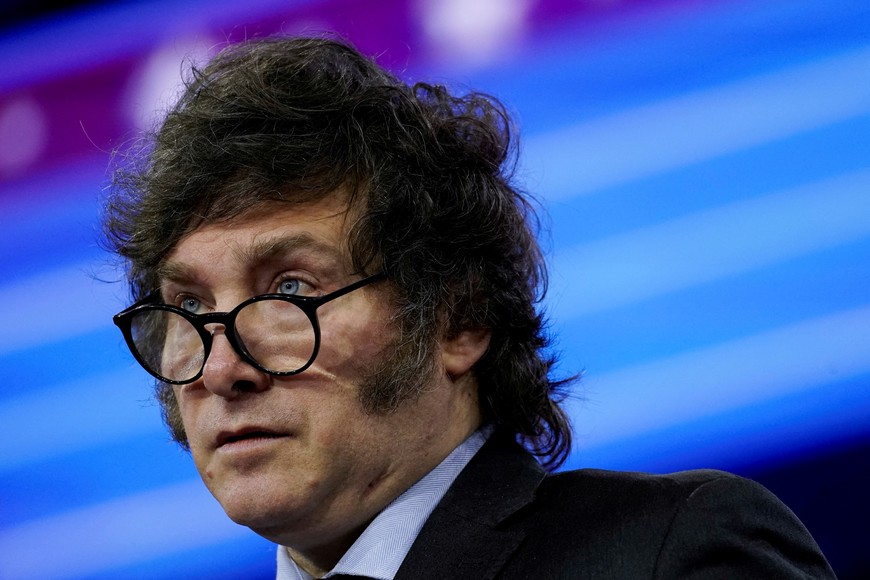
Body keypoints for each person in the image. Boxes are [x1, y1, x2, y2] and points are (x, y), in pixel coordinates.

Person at [105, 35, 836, 579]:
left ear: (459, 320)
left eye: (292, 290)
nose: (222, 365)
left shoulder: (670, 553)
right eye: (189, 304)